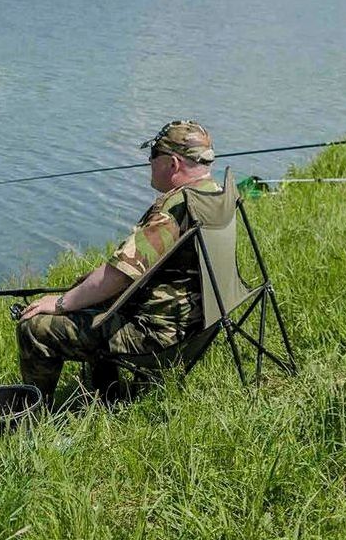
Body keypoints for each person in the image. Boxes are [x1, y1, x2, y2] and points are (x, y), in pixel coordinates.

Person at [16, 121, 222, 402]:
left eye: (153, 157)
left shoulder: (173, 211)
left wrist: (62, 302)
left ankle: (33, 414)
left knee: (34, 327)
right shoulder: (215, 193)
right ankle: (108, 396)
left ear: (173, 164)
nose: (149, 163)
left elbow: (120, 275)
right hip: (197, 325)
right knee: (89, 293)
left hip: (157, 338)